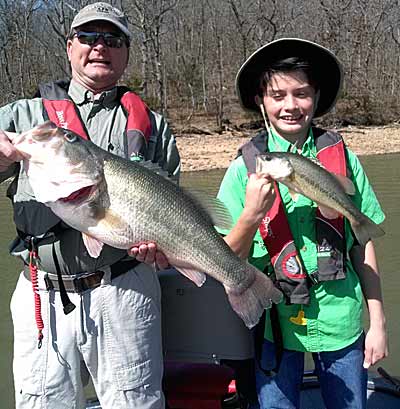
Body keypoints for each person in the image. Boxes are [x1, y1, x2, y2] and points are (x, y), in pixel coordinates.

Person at [0, 2, 180, 408]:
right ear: (69, 47)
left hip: (126, 287)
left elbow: (175, 209)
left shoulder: (154, 127)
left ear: (126, 53)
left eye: (112, 39)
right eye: (88, 37)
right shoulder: (26, 116)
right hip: (40, 292)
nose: (100, 46)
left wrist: (162, 251)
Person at [217, 38, 388, 409]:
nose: (290, 105)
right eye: (277, 95)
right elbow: (225, 260)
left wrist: (378, 323)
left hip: (340, 321)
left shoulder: (344, 160)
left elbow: (364, 248)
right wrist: (250, 215)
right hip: (274, 326)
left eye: (302, 94)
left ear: (316, 98)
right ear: (261, 100)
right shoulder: (241, 171)